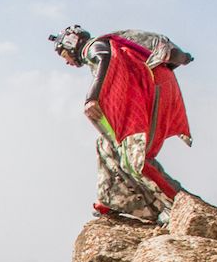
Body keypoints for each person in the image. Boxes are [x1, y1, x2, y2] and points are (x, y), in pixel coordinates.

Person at [49, 25, 194, 222]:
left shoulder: (94, 47)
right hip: (154, 90)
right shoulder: (103, 46)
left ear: (71, 44)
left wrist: (92, 97)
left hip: (152, 92)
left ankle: (177, 203)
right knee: (106, 145)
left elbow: (103, 58)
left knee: (135, 160)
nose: (66, 61)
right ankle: (112, 199)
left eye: (63, 53)